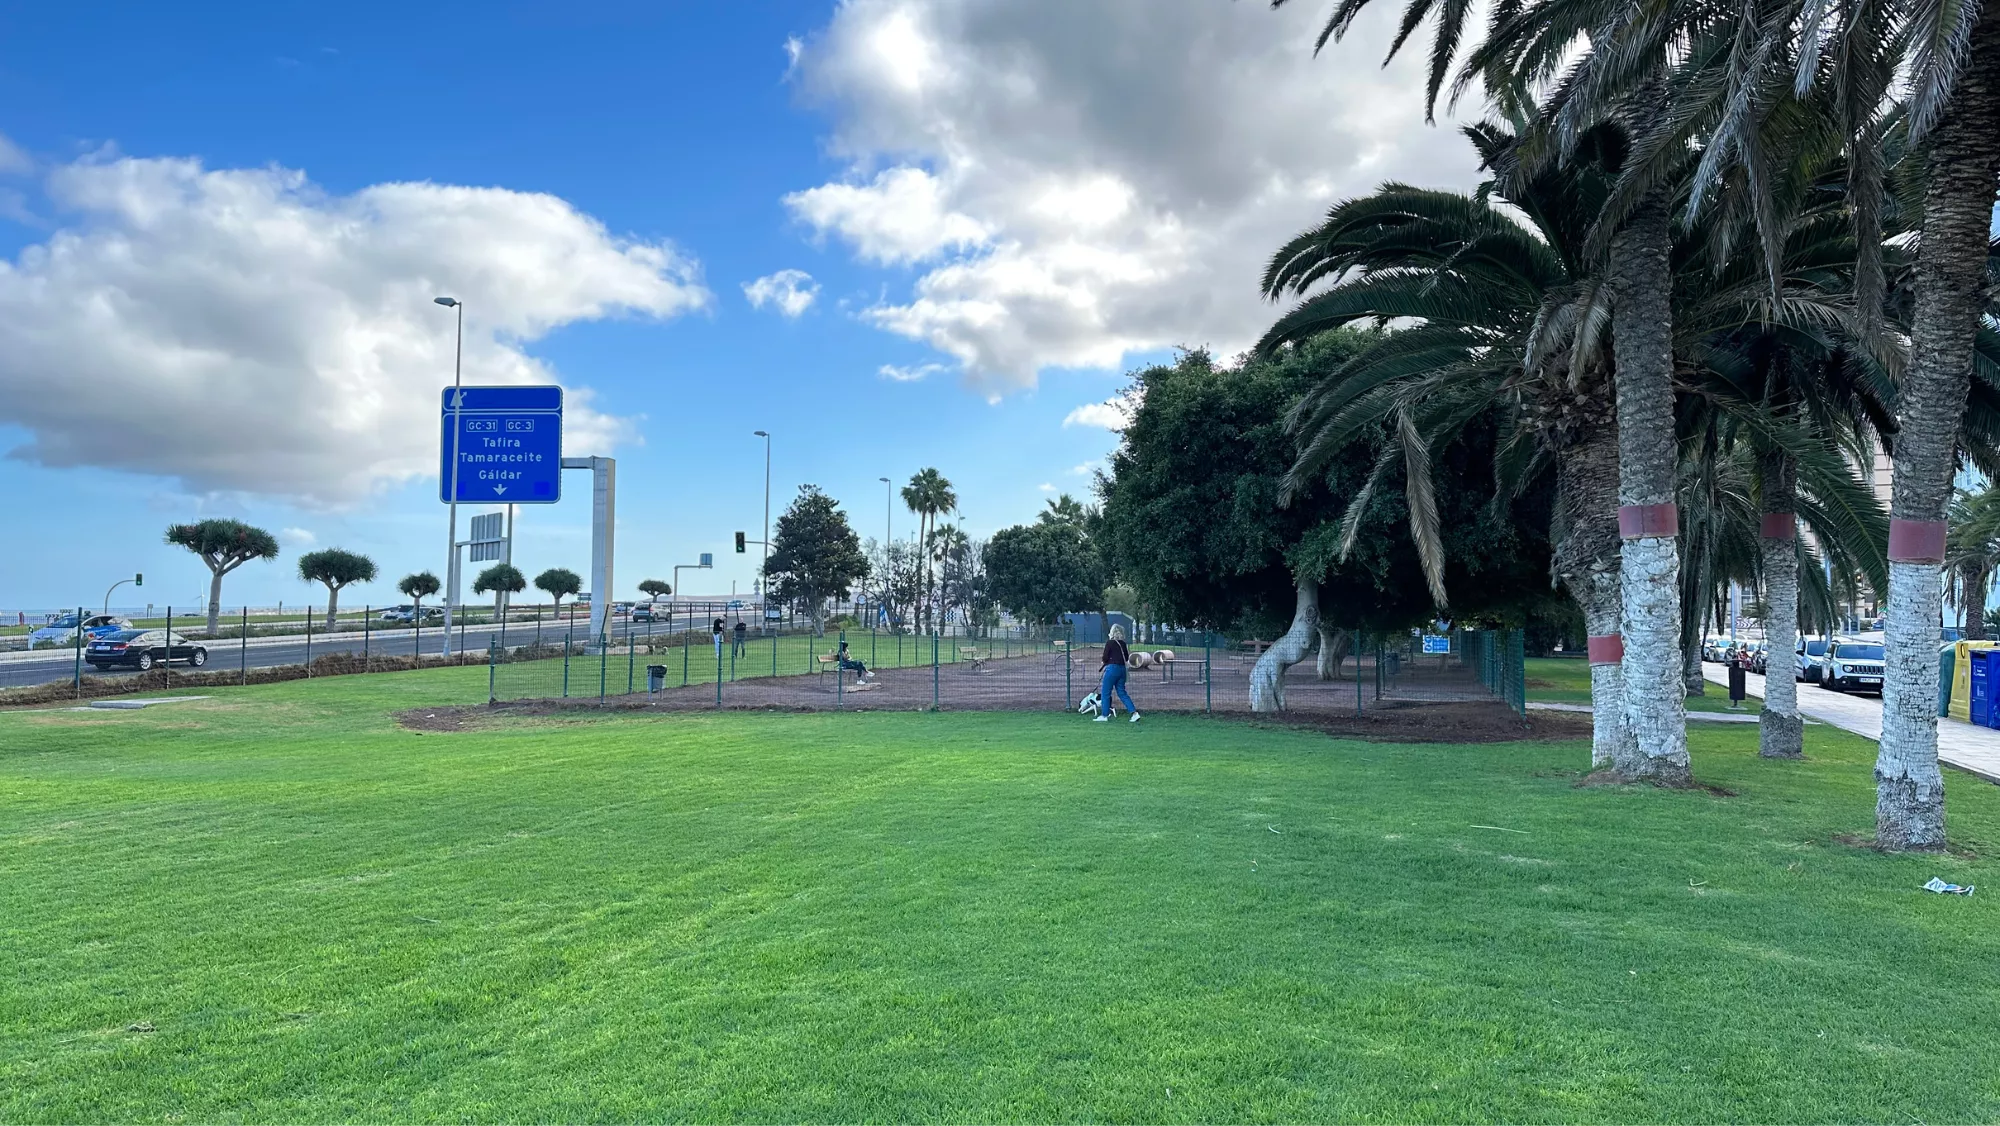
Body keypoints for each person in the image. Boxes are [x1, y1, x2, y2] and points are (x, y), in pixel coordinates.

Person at [1095, 624, 1140, 723]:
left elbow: (1105, 657)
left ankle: (1104, 715)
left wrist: (1104, 662)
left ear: (1111, 632)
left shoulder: (1110, 643)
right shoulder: (1123, 643)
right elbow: (1127, 658)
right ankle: (1134, 713)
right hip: (1122, 669)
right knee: (1122, 692)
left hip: (1112, 669)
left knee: (1106, 692)